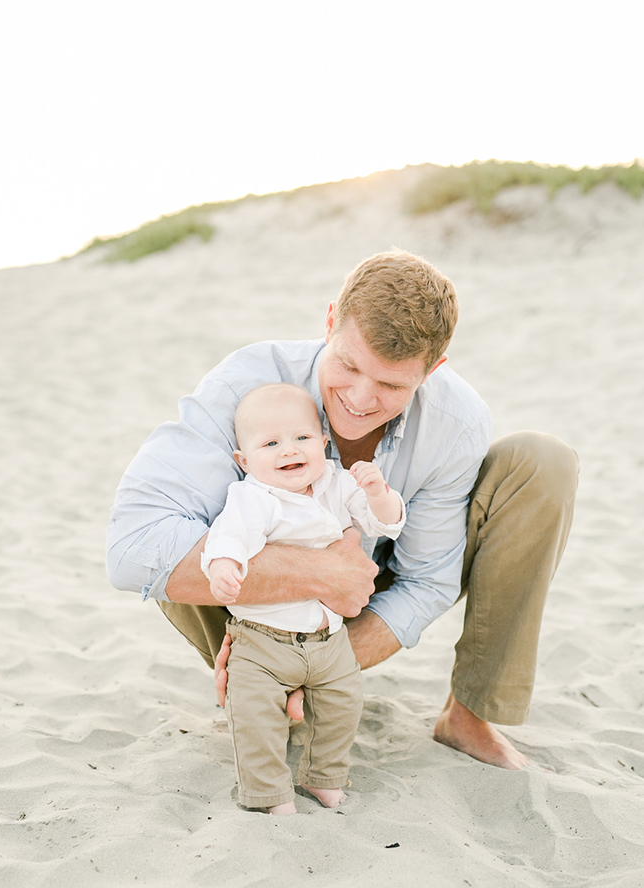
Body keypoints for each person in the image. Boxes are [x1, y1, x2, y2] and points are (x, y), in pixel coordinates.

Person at [106, 248, 578, 774]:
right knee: (179, 533)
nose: (360, 398)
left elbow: (427, 581)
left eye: (392, 385)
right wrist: (318, 576)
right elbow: (132, 549)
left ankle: (467, 718)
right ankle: (264, 685)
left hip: (368, 589)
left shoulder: (456, 419)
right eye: (348, 365)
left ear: (433, 369)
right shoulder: (247, 383)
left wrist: (325, 665)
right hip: (251, 604)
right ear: (330, 320)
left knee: (543, 462)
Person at [202, 382, 405, 813]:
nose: (288, 450)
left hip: (329, 640)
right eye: (270, 443)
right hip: (262, 641)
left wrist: (378, 495)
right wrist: (223, 566)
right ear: (244, 460)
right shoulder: (253, 497)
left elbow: (383, 524)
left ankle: (323, 776)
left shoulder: (337, 485)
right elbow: (230, 536)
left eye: (302, 437)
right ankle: (270, 793)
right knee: (255, 719)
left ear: (324, 442)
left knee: (342, 707)